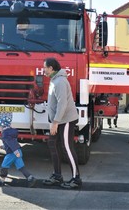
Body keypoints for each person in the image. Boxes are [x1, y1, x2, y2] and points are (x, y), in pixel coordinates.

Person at [42, 58, 82, 189]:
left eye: (45, 68)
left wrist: (55, 122)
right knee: (52, 143)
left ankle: (76, 179)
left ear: (51, 68)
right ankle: (57, 176)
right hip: (58, 120)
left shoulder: (60, 82)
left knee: (67, 147)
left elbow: (62, 104)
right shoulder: (54, 80)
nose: (44, 70)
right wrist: (52, 121)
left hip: (66, 120)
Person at [0, 115, 37, 187]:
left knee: (4, 166)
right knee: (21, 167)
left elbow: (12, 144)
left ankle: (1, 180)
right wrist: (4, 147)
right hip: (17, 151)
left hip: (12, 153)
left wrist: (15, 151)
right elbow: (11, 143)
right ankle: (30, 178)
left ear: (2, 126)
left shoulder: (5, 134)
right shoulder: (11, 132)